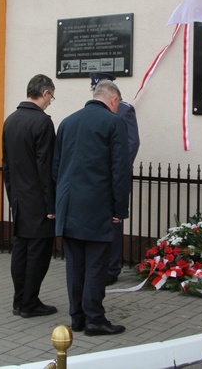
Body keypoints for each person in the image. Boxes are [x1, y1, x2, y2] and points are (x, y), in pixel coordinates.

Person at [53, 79, 130, 336]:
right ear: (113, 100)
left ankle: (77, 318)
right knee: (96, 264)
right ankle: (95, 320)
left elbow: (56, 168)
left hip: (69, 206)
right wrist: (120, 210)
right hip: (97, 207)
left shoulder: (67, 122)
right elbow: (120, 170)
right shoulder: (114, 122)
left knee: (75, 265)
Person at [2, 74, 58, 318]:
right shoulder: (42, 123)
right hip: (39, 201)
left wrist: (12, 197)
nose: (50, 102)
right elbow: (46, 168)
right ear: (44, 93)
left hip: (19, 200)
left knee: (21, 250)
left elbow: (6, 166)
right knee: (38, 253)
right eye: (51, 97)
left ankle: (19, 300)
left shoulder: (10, 120)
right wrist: (51, 204)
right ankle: (29, 302)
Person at [88, 72, 140, 285]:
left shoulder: (124, 110)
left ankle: (111, 267)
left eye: (97, 86)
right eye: (93, 87)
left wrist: (118, 170)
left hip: (114, 176)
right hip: (96, 178)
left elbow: (131, 143)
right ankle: (97, 264)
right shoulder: (90, 110)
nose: (94, 90)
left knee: (114, 222)